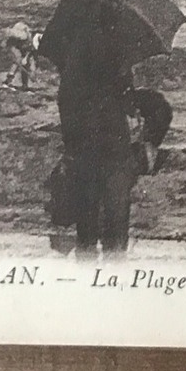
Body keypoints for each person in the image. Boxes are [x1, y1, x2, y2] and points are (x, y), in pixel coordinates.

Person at [49, 18, 138, 256]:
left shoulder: (72, 73)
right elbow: (130, 106)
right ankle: (114, 259)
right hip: (114, 145)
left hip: (83, 146)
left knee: (87, 208)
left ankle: (88, 257)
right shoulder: (118, 65)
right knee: (116, 208)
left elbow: (64, 109)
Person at [126, 86, 173, 175]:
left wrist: (137, 135)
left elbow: (136, 118)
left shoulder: (135, 98)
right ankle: (152, 166)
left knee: (148, 141)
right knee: (152, 142)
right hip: (165, 112)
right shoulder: (142, 93)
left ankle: (150, 168)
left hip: (158, 114)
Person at [2, 21, 40, 91]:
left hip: (23, 47)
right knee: (18, 59)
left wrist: (32, 72)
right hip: (14, 45)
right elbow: (8, 43)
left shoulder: (35, 44)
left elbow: (31, 55)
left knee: (26, 64)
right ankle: (7, 82)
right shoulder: (22, 36)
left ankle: (25, 85)